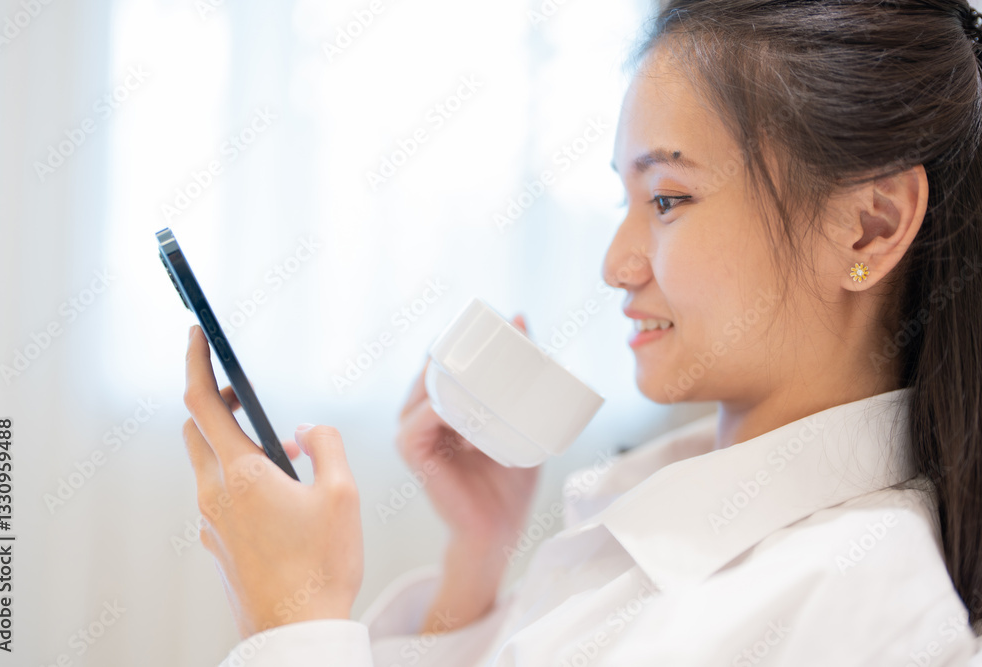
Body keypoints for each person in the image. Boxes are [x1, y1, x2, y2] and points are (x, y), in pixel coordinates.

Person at [178, 1, 982, 664]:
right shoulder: (657, 524)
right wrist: (477, 554)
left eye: (667, 199)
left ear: (869, 227)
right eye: (624, 201)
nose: (616, 263)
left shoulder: (866, 602)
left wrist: (296, 626)